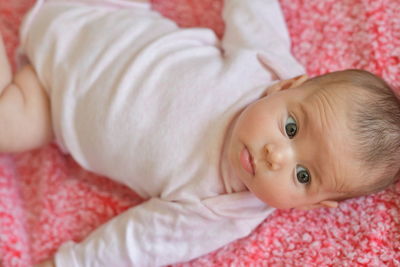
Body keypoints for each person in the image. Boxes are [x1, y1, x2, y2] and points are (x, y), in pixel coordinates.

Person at [0, 0, 398, 266]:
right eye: (291, 128)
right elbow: (251, 8)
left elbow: (138, 244)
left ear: (310, 206)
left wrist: (71, 263)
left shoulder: (218, 210)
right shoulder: (266, 65)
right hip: (104, 12)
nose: (277, 156)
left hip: (48, 100)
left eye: (303, 175)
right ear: (286, 87)